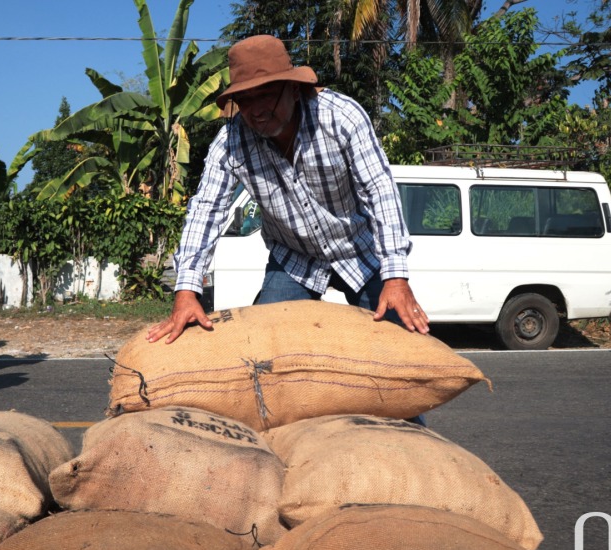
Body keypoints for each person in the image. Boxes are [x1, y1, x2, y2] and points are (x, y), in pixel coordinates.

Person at [147, 35, 428, 346]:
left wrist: (396, 277)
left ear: (294, 89)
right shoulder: (230, 143)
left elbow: (379, 191)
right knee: (263, 347)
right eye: (245, 100)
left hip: (360, 250)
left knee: (401, 345)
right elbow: (205, 211)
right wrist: (186, 291)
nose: (255, 111)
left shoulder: (340, 117)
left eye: (265, 95)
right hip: (294, 257)